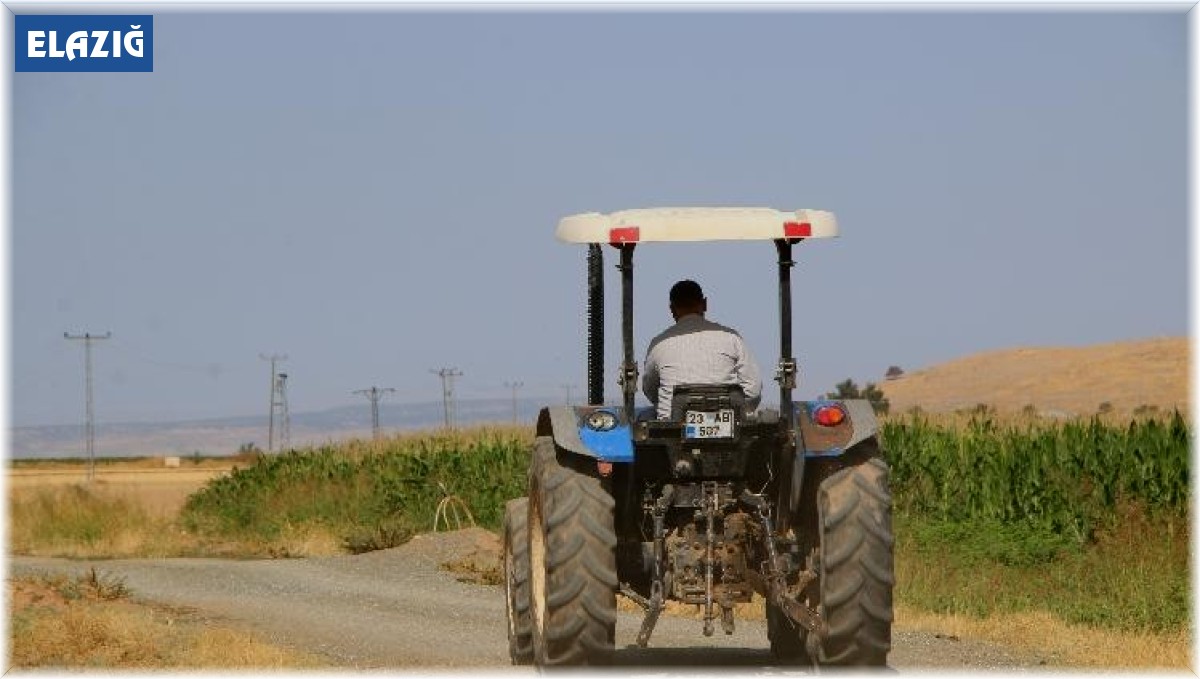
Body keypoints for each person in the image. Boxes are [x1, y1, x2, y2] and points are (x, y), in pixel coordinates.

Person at [642, 279, 762, 420]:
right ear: (704, 304)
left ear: (672, 309)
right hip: (729, 424)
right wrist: (737, 410)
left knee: (644, 416)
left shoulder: (659, 344)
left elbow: (649, 389)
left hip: (673, 428)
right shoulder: (731, 338)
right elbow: (753, 389)